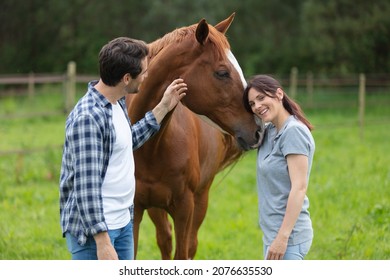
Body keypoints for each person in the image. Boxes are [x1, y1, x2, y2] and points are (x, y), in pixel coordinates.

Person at [59, 37, 187, 260]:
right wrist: (102, 241)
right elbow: (85, 187)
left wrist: (164, 107)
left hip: (122, 222)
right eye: (144, 72)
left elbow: (127, 141)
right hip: (96, 233)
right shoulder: (88, 118)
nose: (147, 76)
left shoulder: (116, 102)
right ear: (126, 78)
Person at [243, 74, 315, 260]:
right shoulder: (269, 131)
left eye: (261, 98)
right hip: (272, 235)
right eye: (252, 104)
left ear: (279, 94)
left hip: (288, 238)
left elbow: (299, 187)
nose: (257, 106)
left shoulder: (293, 132)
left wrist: (282, 239)